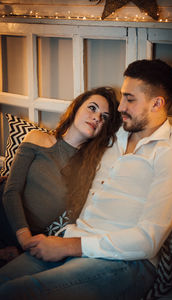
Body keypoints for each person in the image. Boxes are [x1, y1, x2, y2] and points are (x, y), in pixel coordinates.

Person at [0, 59, 172, 300]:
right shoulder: (113, 134)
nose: (121, 107)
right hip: (73, 238)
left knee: (17, 293)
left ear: (157, 103)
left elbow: (148, 241)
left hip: (126, 262)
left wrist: (68, 246)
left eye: (130, 99)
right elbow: (67, 145)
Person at [0, 86, 121, 259]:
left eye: (104, 117)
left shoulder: (89, 171)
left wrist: (22, 248)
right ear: (77, 107)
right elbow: (11, 191)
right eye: (92, 108)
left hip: (19, 245)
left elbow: (74, 220)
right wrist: (24, 239)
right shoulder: (37, 138)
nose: (96, 117)